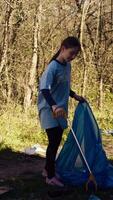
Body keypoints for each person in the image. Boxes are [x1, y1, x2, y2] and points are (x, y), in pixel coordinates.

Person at [37, 36, 86, 187]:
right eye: (71, 53)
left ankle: (47, 170)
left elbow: (63, 86)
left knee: (56, 141)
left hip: (60, 110)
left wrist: (74, 95)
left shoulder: (67, 66)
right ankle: (50, 177)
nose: (72, 57)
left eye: (75, 55)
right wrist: (53, 106)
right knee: (53, 143)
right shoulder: (52, 67)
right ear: (63, 48)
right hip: (49, 109)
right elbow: (45, 89)